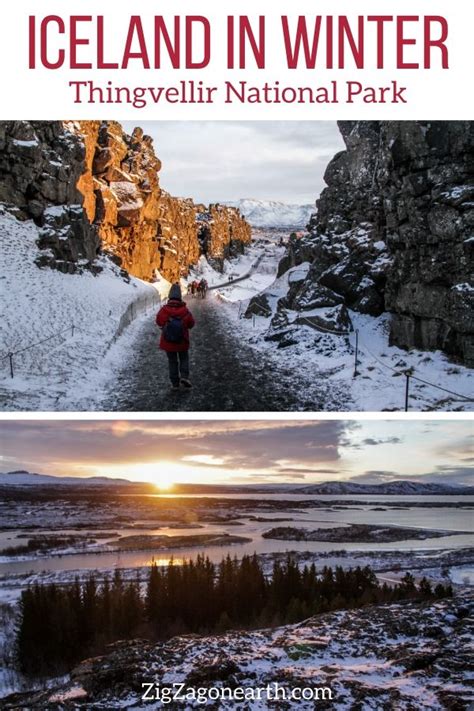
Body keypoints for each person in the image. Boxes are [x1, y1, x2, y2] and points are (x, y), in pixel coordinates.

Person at [156, 283, 195, 390]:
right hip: (182, 341)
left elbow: (158, 321)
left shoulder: (164, 310)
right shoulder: (185, 310)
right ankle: (184, 377)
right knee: (184, 358)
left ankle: (175, 383)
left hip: (168, 342)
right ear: (179, 297)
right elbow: (191, 324)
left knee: (172, 361)